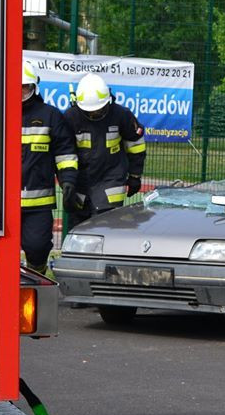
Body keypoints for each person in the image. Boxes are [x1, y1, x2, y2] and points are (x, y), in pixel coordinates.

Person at [64, 72, 146, 227]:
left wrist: (135, 175)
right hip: (80, 181)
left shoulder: (121, 115)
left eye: (99, 110)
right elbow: (64, 152)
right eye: (90, 111)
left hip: (111, 178)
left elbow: (136, 145)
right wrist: (67, 182)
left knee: (107, 226)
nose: (95, 114)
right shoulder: (71, 118)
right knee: (78, 228)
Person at [20, 60, 78, 274]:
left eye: (24, 87)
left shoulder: (50, 116)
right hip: (1, 203)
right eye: (16, 86)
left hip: (38, 203)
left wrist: (68, 180)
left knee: (38, 247)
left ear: (34, 87)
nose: (20, 92)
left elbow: (65, 152)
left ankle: (35, 277)